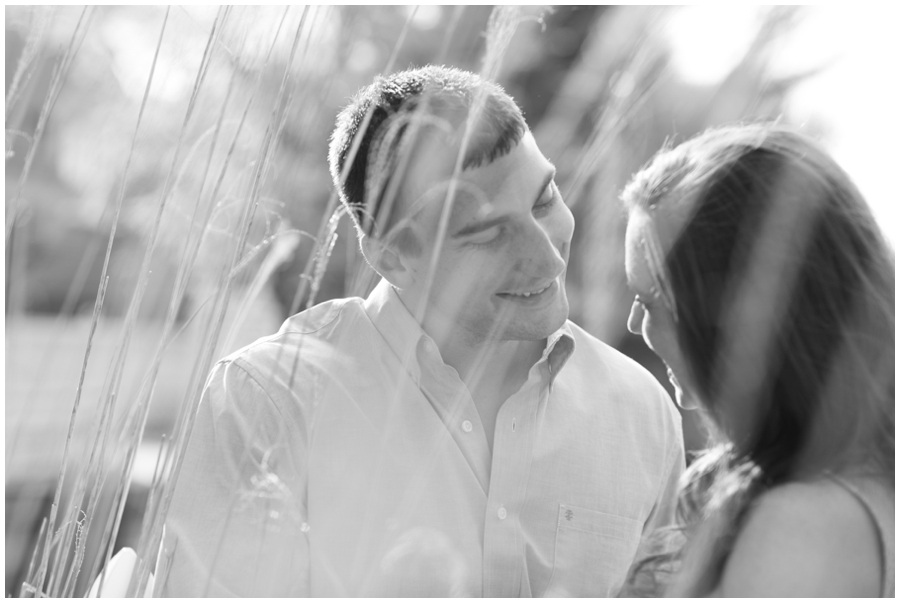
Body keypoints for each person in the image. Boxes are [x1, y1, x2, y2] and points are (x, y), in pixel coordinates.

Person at [161, 65, 684, 597]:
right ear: (394, 257)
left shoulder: (642, 412)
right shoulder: (269, 402)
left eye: (544, 199)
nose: (546, 256)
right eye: (488, 234)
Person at [619, 124, 894, 597]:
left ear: (730, 316)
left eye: (651, 301)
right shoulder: (865, 482)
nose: (631, 324)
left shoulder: (800, 529)